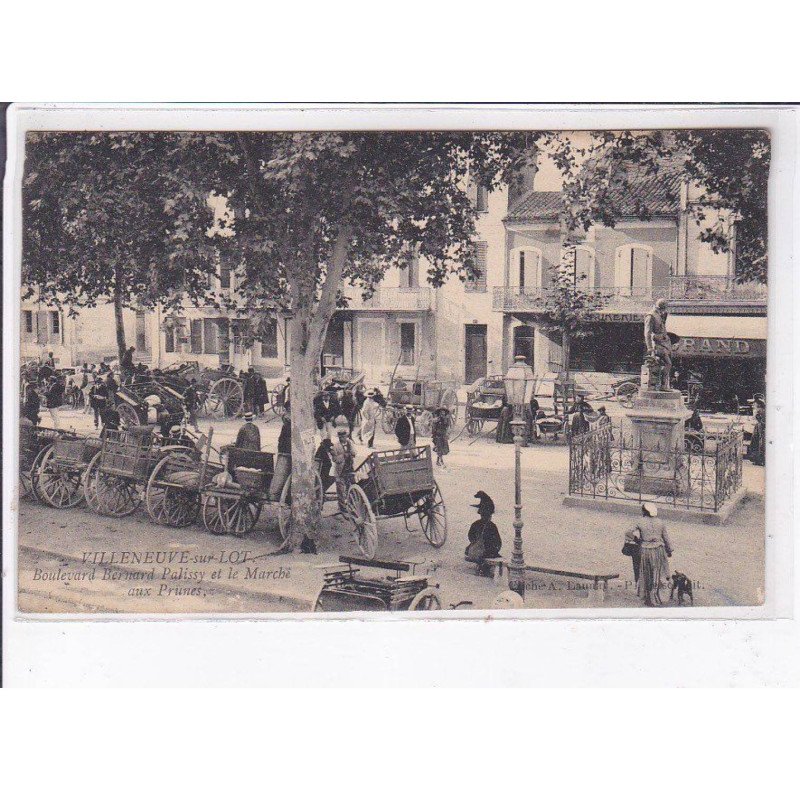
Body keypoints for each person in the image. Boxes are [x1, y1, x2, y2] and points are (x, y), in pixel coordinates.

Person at [623, 503, 673, 606]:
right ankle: (658, 597)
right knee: (658, 573)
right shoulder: (660, 522)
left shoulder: (640, 521)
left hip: (645, 550)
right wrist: (669, 551)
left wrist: (637, 540)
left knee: (647, 573)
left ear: (644, 511)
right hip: (659, 550)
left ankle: (649, 597)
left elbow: (628, 532)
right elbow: (666, 538)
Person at [465, 492, 502, 576]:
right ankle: (485, 568)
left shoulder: (475, 524)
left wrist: (474, 542)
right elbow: (498, 542)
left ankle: (482, 566)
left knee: (474, 551)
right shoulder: (492, 526)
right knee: (488, 554)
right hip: (488, 551)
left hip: (477, 550)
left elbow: (470, 536)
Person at [644, 298, 673, 390]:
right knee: (667, 363)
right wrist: (649, 348)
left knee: (665, 364)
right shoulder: (651, 316)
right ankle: (661, 385)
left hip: (663, 343)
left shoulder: (660, 314)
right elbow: (647, 333)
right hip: (656, 344)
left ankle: (661, 385)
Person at [331, 422, 356, 512]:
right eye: (340, 437)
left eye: (344, 436)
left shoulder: (350, 443)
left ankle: (352, 505)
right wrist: (342, 456)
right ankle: (342, 508)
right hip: (340, 471)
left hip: (350, 468)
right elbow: (334, 459)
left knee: (352, 487)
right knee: (341, 490)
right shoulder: (335, 446)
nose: (342, 438)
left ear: (346, 436)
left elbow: (354, 453)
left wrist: (352, 454)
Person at [748, 398, 766, 465]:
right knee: (755, 442)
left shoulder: (762, 412)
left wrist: (756, 415)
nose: (753, 406)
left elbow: (762, 422)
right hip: (759, 429)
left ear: (759, 406)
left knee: (760, 444)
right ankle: (757, 459)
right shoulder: (761, 411)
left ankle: (760, 460)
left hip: (762, 430)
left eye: (754, 405)